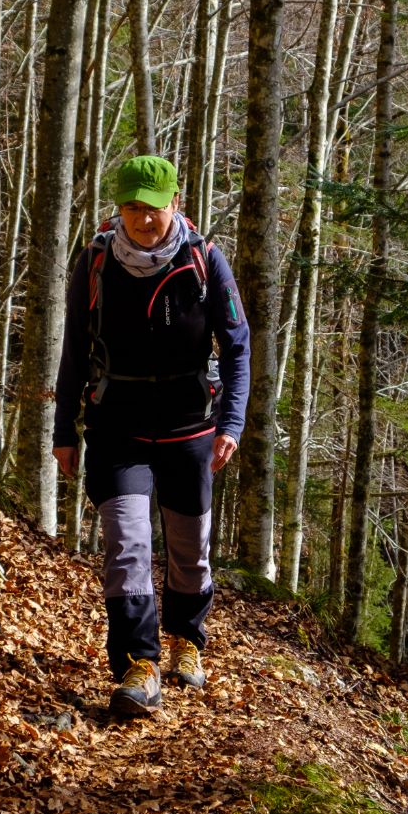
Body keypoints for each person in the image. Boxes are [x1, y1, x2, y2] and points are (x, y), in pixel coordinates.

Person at [52, 155, 250, 717]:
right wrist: (64, 428)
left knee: (190, 549)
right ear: (118, 209)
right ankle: (137, 664)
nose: (142, 221)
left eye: (153, 209)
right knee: (127, 544)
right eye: (132, 208)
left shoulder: (205, 260)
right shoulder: (95, 262)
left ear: (176, 205)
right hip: (119, 425)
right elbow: (73, 349)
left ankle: (187, 640)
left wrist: (232, 422)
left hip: (191, 427)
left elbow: (237, 346)